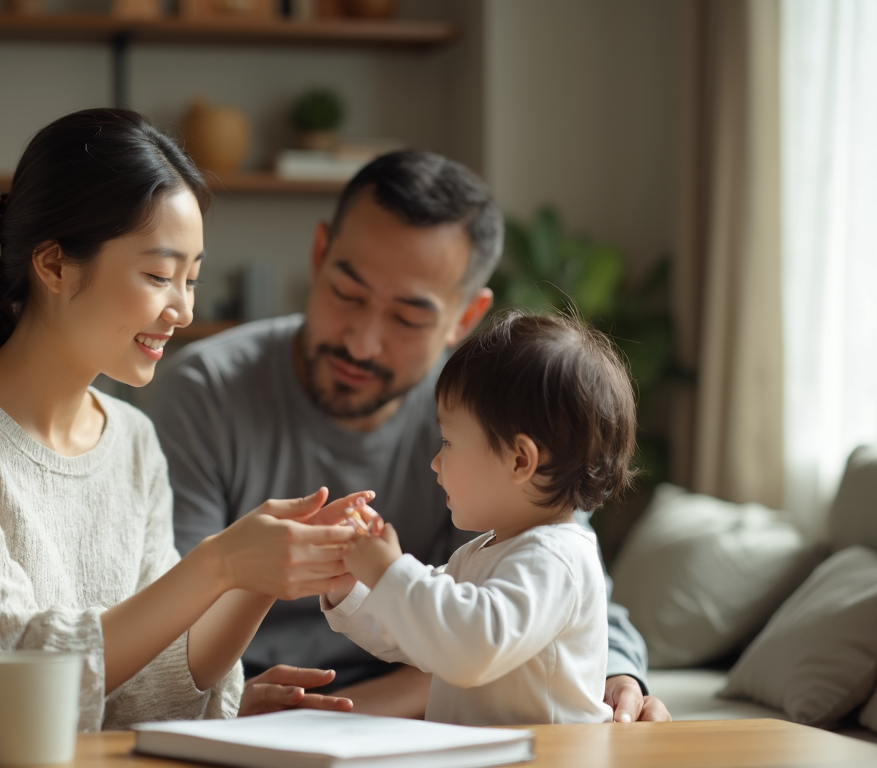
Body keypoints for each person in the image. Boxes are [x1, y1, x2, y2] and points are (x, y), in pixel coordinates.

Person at [0, 109, 363, 734]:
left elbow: (137, 691)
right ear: (56, 265)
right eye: (158, 275)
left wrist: (260, 577)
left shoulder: (133, 441)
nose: (182, 311)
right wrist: (217, 565)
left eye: (191, 280)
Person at [147, 150, 671, 722]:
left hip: (410, 710)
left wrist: (617, 673)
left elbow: (561, 590)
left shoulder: (489, 412)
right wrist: (351, 586)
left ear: (464, 317)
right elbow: (177, 625)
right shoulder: (204, 394)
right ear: (320, 255)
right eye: (348, 293)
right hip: (253, 701)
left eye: (407, 318)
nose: (362, 342)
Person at [324, 311, 636, 726]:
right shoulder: (484, 552)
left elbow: (473, 645)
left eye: (449, 441)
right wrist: (354, 589)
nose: (436, 463)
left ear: (520, 460)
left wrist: (388, 571)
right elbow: (422, 631)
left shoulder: (555, 558)